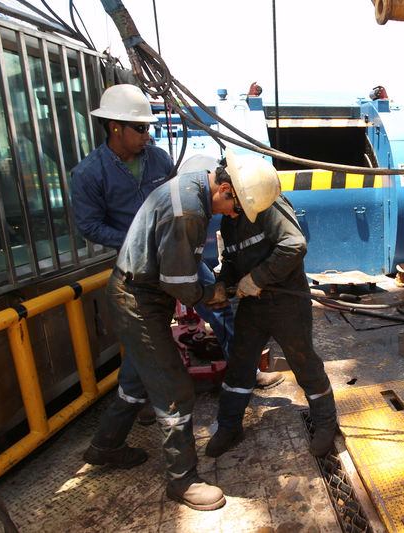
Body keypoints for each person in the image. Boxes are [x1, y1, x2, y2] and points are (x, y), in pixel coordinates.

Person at [70, 84, 282, 393]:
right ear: (115, 127)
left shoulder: (157, 160)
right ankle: (139, 396)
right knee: (147, 330)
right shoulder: (88, 174)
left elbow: (181, 203)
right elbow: (89, 226)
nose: (148, 135)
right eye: (141, 128)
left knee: (218, 303)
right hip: (139, 267)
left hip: (180, 255)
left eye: (149, 128)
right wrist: (141, 240)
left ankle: (244, 373)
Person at [81, 159, 265, 510]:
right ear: (225, 189)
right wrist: (214, 294)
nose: (232, 215)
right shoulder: (189, 212)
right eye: (235, 207)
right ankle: (182, 480)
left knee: (137, 379)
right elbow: (179, 283)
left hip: (139, 292)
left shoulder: (194, 187)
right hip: (138, 301)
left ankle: (105, 446)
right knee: (174, 389)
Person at [204, 150, 339, 459]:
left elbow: (294, 245)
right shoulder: (230, 220)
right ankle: (229, 425)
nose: (224, 212)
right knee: (240, 363)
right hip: (254, 306)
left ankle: (326, 424)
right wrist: (223, 286)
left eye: (226, 206)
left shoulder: (266, 203)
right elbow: (233, 261)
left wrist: (258, 278)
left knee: (303, 362)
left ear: (237, 194)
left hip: (287, 302)